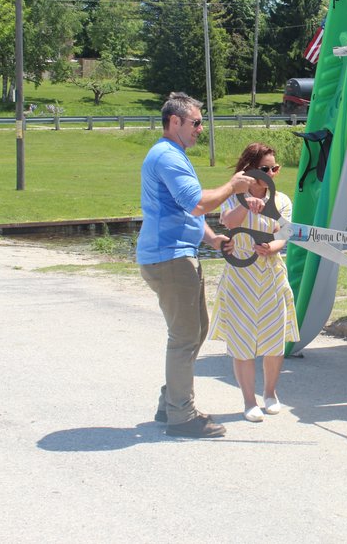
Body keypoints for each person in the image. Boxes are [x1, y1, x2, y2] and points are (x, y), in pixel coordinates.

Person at [137, 92, 254, 438]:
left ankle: (170, 402)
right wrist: (232, 185)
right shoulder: (167, 157)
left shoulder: (172, 154)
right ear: (175, 121)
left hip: (174, 254)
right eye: (197, 122)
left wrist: (212, 238)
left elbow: (185, 211)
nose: (201, 129)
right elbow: (197, 204)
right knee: (185, 337)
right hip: (170, 258)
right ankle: (181, 415)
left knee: (196, 331)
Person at [209, 142, 300, 423]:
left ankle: (270, 393)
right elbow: (228, 222)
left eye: (274, 168)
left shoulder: (281, 199)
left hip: (271, 276)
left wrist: (273, 247)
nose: (271, 174)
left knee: (274, 340)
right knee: (242, 341)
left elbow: (284, 232)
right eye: (265, 169)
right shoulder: (233, 195)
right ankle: (249, 401)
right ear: (250, 170)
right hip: (240, 277)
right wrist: (246, 205)